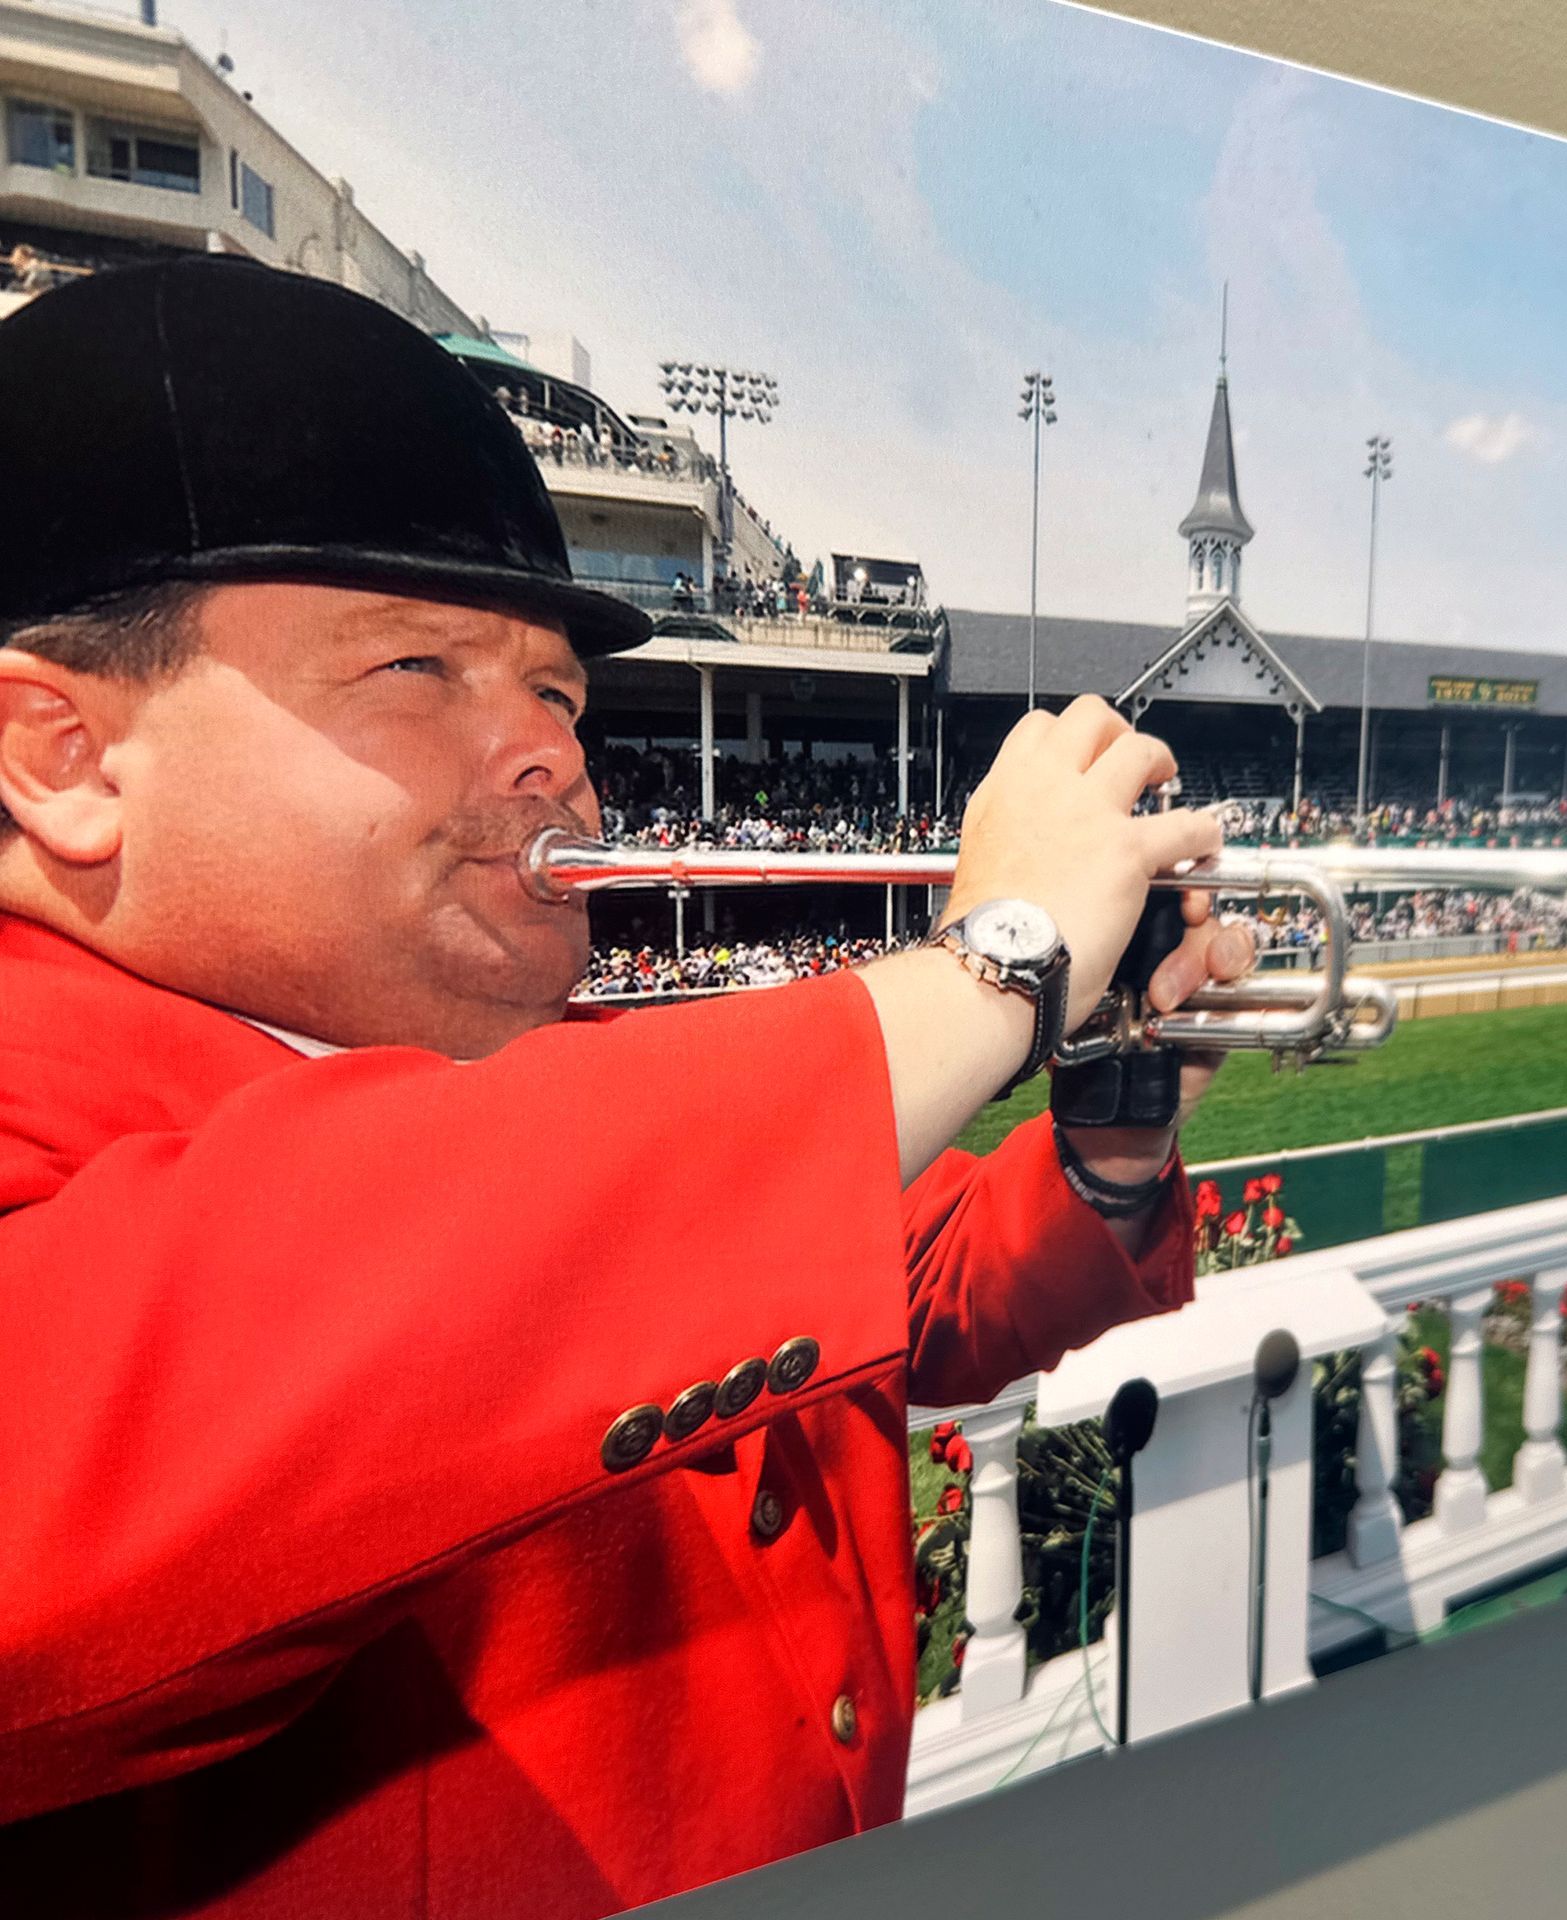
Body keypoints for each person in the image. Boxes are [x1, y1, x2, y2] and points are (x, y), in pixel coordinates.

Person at [0, 258, 1254, 1916]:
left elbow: (920, 1289)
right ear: (63, 760)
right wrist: (997, 962)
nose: (550, 756)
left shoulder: (545, 1079)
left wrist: (1106, 1114)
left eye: (557, 691)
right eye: (418, 671)